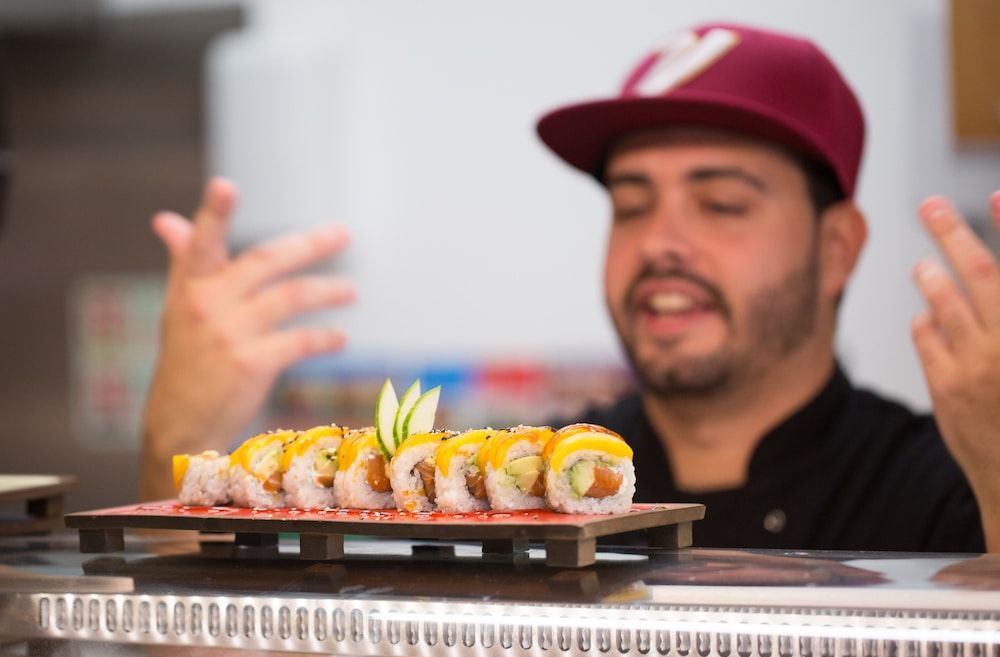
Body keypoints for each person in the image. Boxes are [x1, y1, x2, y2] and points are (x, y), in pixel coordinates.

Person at [139, 22, 1000, 553]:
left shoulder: (943, 486)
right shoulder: (504, 485)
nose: (661, 241)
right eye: (631, 204)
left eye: (722, 202)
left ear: (838, 247)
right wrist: (180, 434)